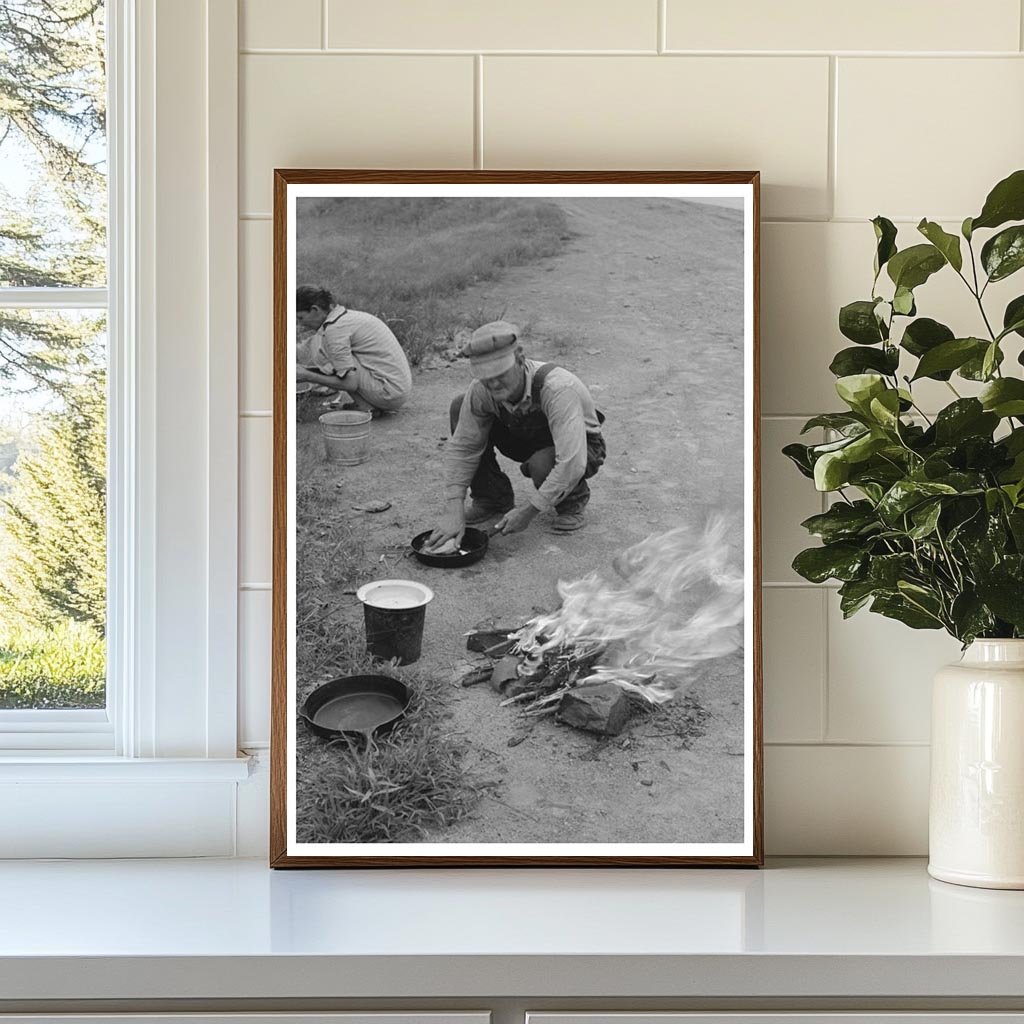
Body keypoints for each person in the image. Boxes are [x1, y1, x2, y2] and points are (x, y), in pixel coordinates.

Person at [428, 320, 606, 546]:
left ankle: (572, 502)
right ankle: (492, 499)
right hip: (526, 436)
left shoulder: (558, 388)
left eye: (500, 373)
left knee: (543, 463)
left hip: (582, 448)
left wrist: (528, 511)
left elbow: (571, 461)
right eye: (485, 376)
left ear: (520, 359)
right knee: (460, 405)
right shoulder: (481, 390)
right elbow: (464, 448)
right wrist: (454, 510)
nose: (493, 383)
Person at [294, 285, 412, 414]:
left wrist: (308, 376)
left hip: (389, 394)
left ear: (315, 309)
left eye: (301, 318)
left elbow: (350, 384)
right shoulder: (344, 317)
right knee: (328, 350)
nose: (300, 323)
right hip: (398, 388)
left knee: (326, 350)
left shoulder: (335, 330)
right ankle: (366, 404)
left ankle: (365, 406)